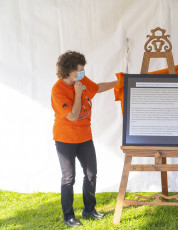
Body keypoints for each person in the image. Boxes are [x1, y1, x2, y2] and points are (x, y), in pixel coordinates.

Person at [51, 51, 118, 227]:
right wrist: (78, 94)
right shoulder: (58, 91)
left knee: (91, 174)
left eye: (83, 69)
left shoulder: (80, 81)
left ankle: (89, 210)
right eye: (79, 70)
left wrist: (119, 82)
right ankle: (69, 216)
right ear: (69, 71)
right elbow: (73, 116)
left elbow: (97, 88)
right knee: (68, 178)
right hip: (65, 139)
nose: (83, 73)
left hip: (84, 137)